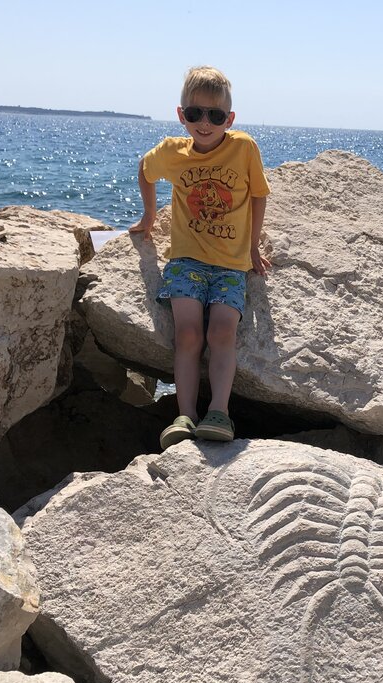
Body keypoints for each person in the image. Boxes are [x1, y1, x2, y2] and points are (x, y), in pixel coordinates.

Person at [130, 65, 270, 447]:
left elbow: (258, 194)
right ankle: (185, 415)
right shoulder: (172, 153)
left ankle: (220, 414)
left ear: (230, 119)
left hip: (230, 264)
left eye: (215, 116)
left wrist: (253, 247)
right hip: (186, 260)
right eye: (194, 114)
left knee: (221, 331)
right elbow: (144, 171)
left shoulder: (243, 148)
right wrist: (148, 215)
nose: (204, 123)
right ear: (181, 115)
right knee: (188, 334)